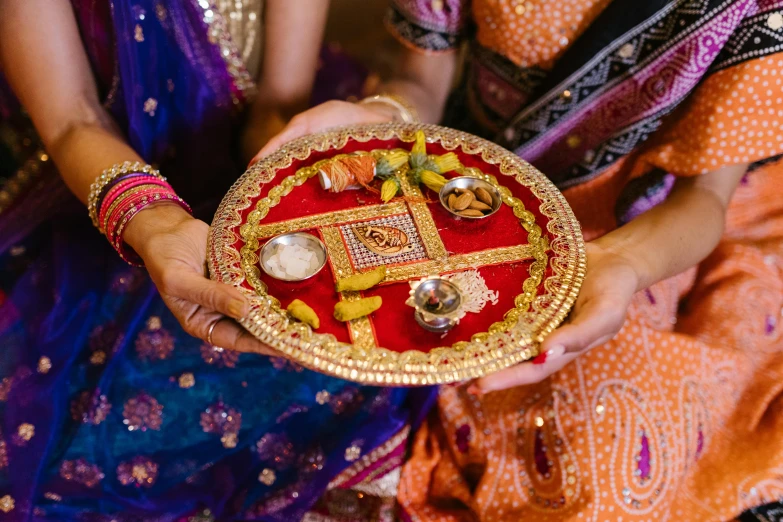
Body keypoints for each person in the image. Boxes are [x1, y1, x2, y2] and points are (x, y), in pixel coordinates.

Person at [260, 0, 783, 520]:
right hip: (451, 192)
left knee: (600, 480)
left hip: (627, 231)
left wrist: (622, 264)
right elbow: (422, 80)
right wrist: (387, 118)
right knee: (294, 357)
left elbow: (705, 199)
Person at [0, 1, 429, 520]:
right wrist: (153, 220)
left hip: (242, 171)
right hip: (112, 184)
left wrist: (282, 179)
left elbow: (275, 103)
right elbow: (73, 122)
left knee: (368, 341)